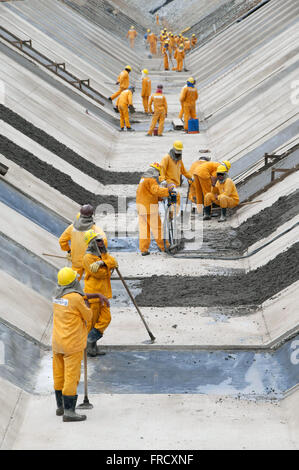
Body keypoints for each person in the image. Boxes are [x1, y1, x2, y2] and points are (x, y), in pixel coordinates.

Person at [52, 267, 108, 422]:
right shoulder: (76, 299)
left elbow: (74, 298)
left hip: (57, 342)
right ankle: (69, 412)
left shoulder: (56, 295)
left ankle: (61, 406)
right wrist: (89, 305)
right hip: (72, 344)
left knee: (59, 374)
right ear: (73, 282)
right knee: (71, 376)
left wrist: (92, 295)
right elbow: (88, 316)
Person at [83, 230, 118, 356]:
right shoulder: (88, 258)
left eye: (101, 239)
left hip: (104, 294)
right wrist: (109, 268)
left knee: (105, 319)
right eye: (98, 241)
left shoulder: (103, 255)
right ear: (92, 243)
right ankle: (91, 348)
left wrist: (103, 263)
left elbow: (114, 261)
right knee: (92, 323)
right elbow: (99, 274)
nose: (101, 242)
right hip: (93, 294)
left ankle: (91, 340)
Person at [59, 204, 107, 280]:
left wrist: (69, 251)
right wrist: (102, 259)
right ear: (92, 215)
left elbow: (62, 241)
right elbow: (104, 243)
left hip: (76, 262)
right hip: (90, 263)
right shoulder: (96, 230)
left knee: (73, 282)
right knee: (91, 285)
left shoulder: (72, 228)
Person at [136, 162, 173, 255]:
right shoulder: (151, 180)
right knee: (157, 228)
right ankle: (164, 246)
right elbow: (156, 190)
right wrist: (167, 191)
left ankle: (144, 249)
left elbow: (148, 193)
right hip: (150, 209)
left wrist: (159, 198)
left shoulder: (143, 179)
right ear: (156, 172)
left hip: (141, 208)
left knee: (144, 229)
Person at [159, 141, 193, 209]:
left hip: (176, 183)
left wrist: (190, 177)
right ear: (173, 149)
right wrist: (162, 180)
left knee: (173, 198)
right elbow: (162, 169)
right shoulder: (167, 158)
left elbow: (183, 171)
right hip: (169, 182)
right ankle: (173, 213)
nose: (178, 154)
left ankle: (172, 213)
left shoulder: (179, 160)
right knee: (175, 196)